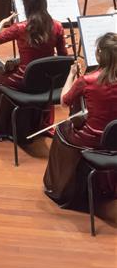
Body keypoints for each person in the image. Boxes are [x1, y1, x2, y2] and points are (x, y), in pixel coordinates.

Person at [0, 0, 66, 138]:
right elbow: (63, 56)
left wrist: (2, 22)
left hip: (23, 82)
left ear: (25, 3)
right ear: (44, 1)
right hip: (48, 83)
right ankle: (41, 122)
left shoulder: (19, 27)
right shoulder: (57, 26)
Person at [44, 33, 117, 207]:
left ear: (100, 54)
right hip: (115, 138)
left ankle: (62, 187)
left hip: (91, 139)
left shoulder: (87, 80)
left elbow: (64, 102)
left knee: (62, 130)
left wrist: (71, 75)